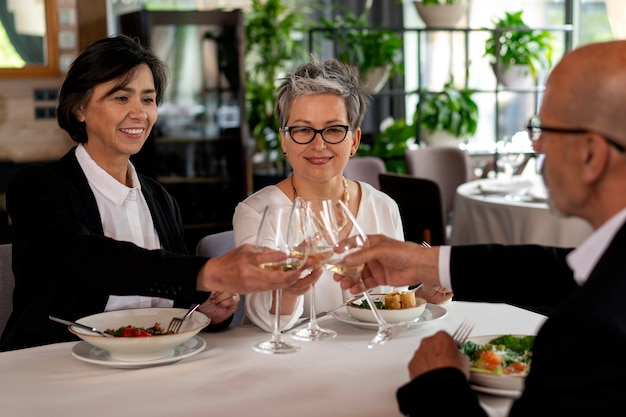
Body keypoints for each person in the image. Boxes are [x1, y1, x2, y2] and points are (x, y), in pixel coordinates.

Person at [335, 39, 626, 416]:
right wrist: (423, 262)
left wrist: (438, 382)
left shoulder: (589, 335)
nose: (537, 147)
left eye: (544, 129)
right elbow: (562, 269)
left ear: (591, 155)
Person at [0, 35, 306, 352]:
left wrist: (202, 310)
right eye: (121, 98)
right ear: (79, 108)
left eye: (148, 99)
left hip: (154, 362)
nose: (139, 113)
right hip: (56, 365)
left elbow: (173, 295)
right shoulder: (37, 186)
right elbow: (89, 259)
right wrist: (206, 273)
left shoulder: (159, 198)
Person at [233, 56, 404, 332]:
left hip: (369, 358)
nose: (319, 144)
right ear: (284, 140)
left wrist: (427, 295)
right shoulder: (258, 212)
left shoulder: (384, 207)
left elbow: (396, 304)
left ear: (354, 141)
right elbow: (263, 317)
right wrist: (290, 289)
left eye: (334, 129)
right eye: (302, 130)